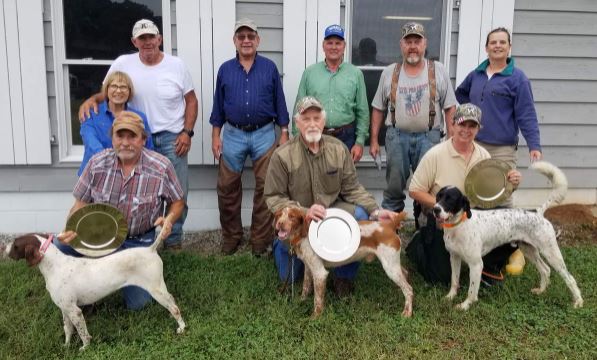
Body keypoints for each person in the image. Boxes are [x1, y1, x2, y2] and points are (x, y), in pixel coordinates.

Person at [78, 19, 198, 250]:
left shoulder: (177, 65)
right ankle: (142, 239)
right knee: (144, 193)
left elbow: (191, 101)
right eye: (142, 38)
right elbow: (111, 89)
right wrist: (93, 99)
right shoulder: (123, 62)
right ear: (135, 41)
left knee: (178, 193)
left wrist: (187, 132)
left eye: (151, 37)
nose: (148, 42)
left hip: (173, 138)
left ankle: (173, 242)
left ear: (160, 39)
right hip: (136, 138)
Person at [264, 96, 395, 295]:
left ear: (324, 121)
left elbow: (352, 188)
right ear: (297, 123)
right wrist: (305, 211)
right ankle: (280, 244)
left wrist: (375, 211)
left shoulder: (338, 149)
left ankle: (343, 276)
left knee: (360, 215)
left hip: (330, 211)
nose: (312, 124)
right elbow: (274, 197)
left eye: (316, 118)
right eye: (306, 119)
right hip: (297, 221)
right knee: (289, 278)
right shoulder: (282, 155)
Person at [55, 112, 185, 310]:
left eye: (132, 136)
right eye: (119, 136)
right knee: (60, 245)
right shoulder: (97, 163)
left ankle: (114, 277)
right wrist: (71, 226)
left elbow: (177, 202)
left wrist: (169, 219)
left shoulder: (161, 167)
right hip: (101, 237)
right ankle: (84, 289)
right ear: (112, 137)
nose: (125, 142)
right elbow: (80, 203)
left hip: (137, 242)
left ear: (143, 139)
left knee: (138, 305)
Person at [408, 103, 521, 285]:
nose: (466, 130)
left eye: (472, 126)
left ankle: (489, 266)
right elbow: (414, 190)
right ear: (452, 125)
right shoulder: (435, 154)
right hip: (441, 220)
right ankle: (420, 242)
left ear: (478, 129)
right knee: (440, 278)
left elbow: (492, 192)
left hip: (471, 219)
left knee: (510, 219)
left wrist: (511, 183)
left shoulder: (483, 155)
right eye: (462, 124)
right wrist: (443, 209)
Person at [210, 18, 290, 256]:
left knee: (266, 188)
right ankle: (232, 237)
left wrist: (284, 132)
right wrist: (216, 136)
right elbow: (218, 107)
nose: (246, 40)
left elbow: (280, 103)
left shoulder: (269, 68)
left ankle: (259, 240)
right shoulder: (225, 69)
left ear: (258, 40)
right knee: (226, 187)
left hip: (264, 134)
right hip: (233, 134)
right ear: (235, 41)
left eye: (250, 36)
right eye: (241, 36)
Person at [369, 22, 457, 214]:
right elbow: (377, 108)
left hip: (429, 137)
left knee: (428, 187)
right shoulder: (389, 72)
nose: (412, 46)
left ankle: (426, 229)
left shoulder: (438, 70)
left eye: (417, 41)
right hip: (396, 137)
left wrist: (451, 139)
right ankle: (390, 228)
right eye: (408, 41)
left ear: (424, 44)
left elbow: (450, 107)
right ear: (402, 45)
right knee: (393, 188)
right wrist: (374, 140)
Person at [455, 27, 542, 206]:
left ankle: (504, 234)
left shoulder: (518, 79)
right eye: (493, 42)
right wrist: (472, 114)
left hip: (503, 149)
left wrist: (534, 145)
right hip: (474, 145)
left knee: (502, 194)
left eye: (502, 42)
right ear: (486, 48)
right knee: (472, 191)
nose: (497, 46)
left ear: (509, 47)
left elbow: (527, 115)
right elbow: (461, 94)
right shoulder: (475, 75)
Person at [293, 24, 369, 162]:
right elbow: (299, 109)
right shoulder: (309, 73)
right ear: (323, 45)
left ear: (344, 46)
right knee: (315, 179)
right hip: (315, 134)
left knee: (343, 180)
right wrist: (298, 138)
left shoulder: (355, 74)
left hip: (347, 137)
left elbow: (362, 111)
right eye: (330, 43)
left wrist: (359, 142)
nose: (334, 47)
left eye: (338, 43)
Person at [78, 71, 153, 175]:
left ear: (129, 91)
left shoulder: (139, 117)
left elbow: (148, 148)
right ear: (106, 89)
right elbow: (92, 144)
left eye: (123, 87)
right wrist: (114, 162)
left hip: (129, 174)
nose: (118, 91)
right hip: (95, 172)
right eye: (114, 86)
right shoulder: (91, 114)